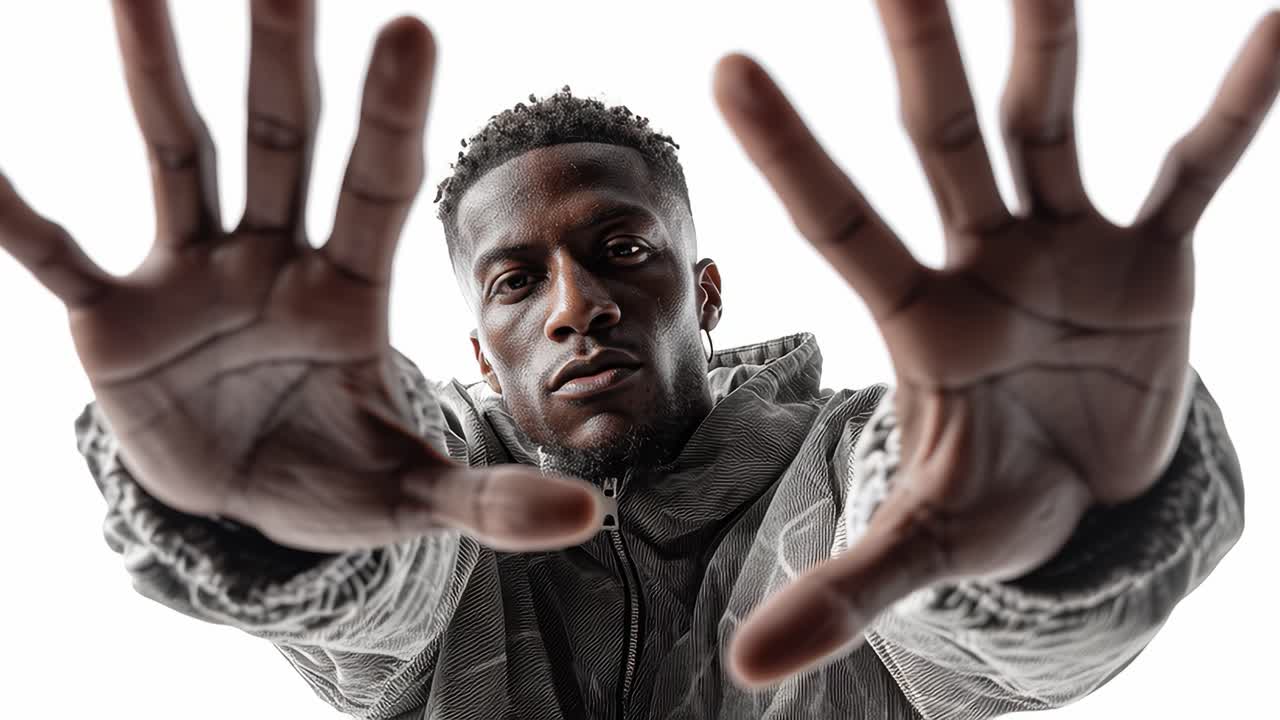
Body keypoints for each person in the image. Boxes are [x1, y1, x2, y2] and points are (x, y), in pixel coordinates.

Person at [0, 0, 1271, 718]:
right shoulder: (427, 498)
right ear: (477, 351)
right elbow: (384, 591)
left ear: (703, 290)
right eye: (516, 280)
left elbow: (972, 633)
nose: (576, 305)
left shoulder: (849, 477)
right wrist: (276, 499)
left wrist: (1048, 522)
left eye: (621, 251)